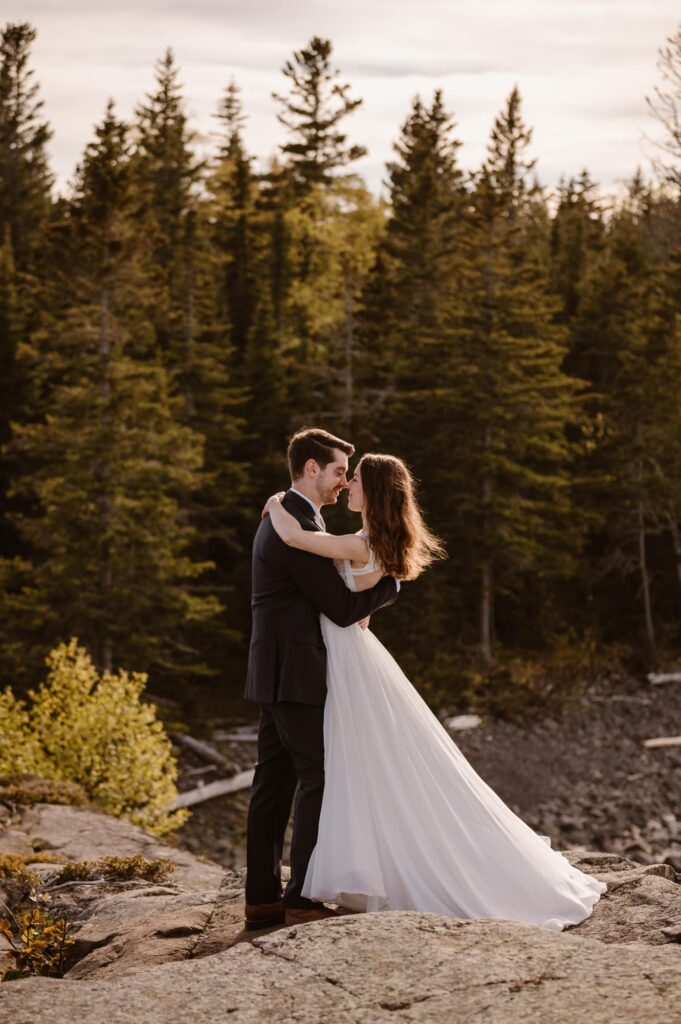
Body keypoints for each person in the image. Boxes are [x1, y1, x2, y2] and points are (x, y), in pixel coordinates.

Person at [263, 452, 607, 930]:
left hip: (346, 661)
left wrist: (276, 502)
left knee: (354, 767)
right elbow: (357, 589)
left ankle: (342, 877)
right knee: (363, 766)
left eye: (355, 478)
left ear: (374, 489)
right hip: (347, 658)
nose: (347, 484)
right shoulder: (372, 540)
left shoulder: (359, 543)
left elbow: (296, 538)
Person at [243, 428, 400, 930]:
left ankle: (263, 898)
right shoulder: (290, 524)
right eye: (337, 472)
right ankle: (300, 898)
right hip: (296, 673)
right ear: (312, 469)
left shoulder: (294, 518)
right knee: (318, 778)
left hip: (279, 670)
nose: (341, 483)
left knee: (273, 784)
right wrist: (391, 586)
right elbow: (337, 607)